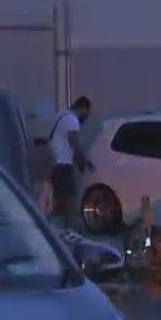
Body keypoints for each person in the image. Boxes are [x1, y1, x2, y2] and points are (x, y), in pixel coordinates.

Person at [48, 95, 92, 229]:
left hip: (54, 163)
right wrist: (82, 162)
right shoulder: (72, 120)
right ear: (82, 108)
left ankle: (50, 226)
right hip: (63, 165)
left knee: (57, 199)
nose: (86, 118)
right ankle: (69, 229)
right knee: (70, 199)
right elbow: (74, 143)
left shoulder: (61, 115)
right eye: (86, 113)